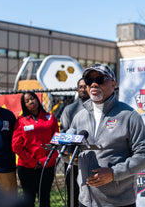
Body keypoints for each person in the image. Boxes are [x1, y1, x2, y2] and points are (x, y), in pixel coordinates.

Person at [67, 63, 145, 207]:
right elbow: (76, 157)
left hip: (118, 202)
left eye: (100, 79)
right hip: (86, 200)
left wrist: (113, 173)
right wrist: (67, 153)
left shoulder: (128, 115)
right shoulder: (79, 117)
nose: (94, 84)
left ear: (113, 83)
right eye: (89, 81)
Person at [12, 91, 59, 207]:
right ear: (24, 105)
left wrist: (43, 161)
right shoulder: (21, 121)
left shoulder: (50, 118)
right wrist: (33, 162)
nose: (31, 102)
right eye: (27, 101)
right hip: (27, 168)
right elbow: (16, 146)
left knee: (44, 199)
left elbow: (57, 143)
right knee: (29, 200)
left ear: (37, 100)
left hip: (47, 167)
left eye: (32, 98)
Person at [60, 77, 89, 206]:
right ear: (77, 89)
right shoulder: (69, 109)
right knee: (72, 193)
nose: (83, 89)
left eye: (85, 86)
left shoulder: (98, 108)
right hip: (72, 159)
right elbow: (65, 131)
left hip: (90, 159)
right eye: (80, 87)